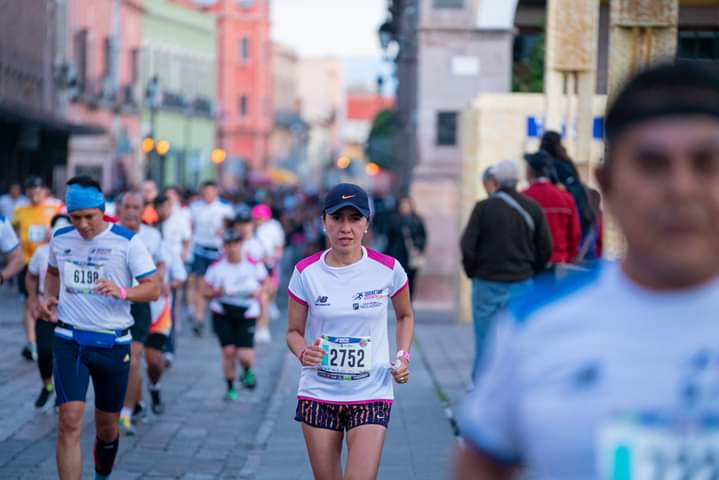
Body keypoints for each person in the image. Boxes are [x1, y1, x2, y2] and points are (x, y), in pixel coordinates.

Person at [455, 62, 719, 479]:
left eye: (706, 162)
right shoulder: (535, 326)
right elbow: (480, 463)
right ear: (608, 185)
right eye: (653, 164)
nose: (681, 188)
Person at [287, 183, 414, 480]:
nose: (346, 228)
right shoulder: (306, 272)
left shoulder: (388, 269)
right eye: (337, 218)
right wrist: (303, 351)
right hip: (319, 392)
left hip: (372, 391)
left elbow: (405, 315)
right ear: (323, 223)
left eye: (354, 219)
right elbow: (293, 331)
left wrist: (403, 356)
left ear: (367, 224)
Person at [38, 176, 160, 480]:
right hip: (70, 339)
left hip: (113, 344)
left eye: (89, 217)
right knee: (69, 420)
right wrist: (48, 296)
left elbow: (153, 288)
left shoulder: (127, 241)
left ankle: (102, 474)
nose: (82, 225)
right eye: (75, 217)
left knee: (107, 428)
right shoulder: (61, 238)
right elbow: (53, 272)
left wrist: (122, 292)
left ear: (102, 211)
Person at [459, 161, 552, 380]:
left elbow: (467, 246)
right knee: (519, 338)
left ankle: (481, 387)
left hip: (487, 283)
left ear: (495, 182)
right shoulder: (532, 207)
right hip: (522, 282)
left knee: (485, 339)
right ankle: (518, 385)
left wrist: (474, 272)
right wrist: (531, 271)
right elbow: (545, 248)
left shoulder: (483, 208)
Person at [114, 191, 165, 435]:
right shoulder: (109, 234)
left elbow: (163, 265)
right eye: (128, 206)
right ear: (119, 208)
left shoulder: (153, 236)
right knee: (116, 362)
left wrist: (158, 284)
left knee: (134, 359)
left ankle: (126, 413)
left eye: (137, 206)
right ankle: (133, 400)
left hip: (141, 301)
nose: (132, 211)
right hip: (112, 302)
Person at [203, 229, 267, 399]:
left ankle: (247, 371)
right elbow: (204, 290)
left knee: (245, 356)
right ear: (224, 247)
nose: (232, 248)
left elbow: (266, 284)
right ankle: (230, 387)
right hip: (222, 311)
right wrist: (216, 292)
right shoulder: (216, 266)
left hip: (247, 312)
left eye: (235, 244)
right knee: (229, 351)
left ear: (241, 245)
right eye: (228, 245)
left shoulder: (253, 264)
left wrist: (258, 292)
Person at [13, 176, 64, 361]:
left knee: (50, 297)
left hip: (50, 260)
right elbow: (15, 232)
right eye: (31, 190)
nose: (35, 193)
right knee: (29, 300)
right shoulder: (20, 210)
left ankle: (52, 335)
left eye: (39, 189)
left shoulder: (56, 207)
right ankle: (32, 341)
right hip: (28, 261)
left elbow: (66, 222)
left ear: (45, 190)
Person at [25, 213, 71, 409]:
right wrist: (33, 300)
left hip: (70, 309)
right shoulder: (42, 252)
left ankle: (67, 394)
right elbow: (31, 276)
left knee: (66, 355)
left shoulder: (76, 252)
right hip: (46, 308)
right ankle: (47, 385)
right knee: (44, 351)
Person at [188, 181, 234, 336]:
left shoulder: (225, 209)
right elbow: (190, 227)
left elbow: (230, 228)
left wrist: (224, 232)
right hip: (200, 248)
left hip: (218, 251)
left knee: (219, 286)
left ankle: (219, 319)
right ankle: (199, 319)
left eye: (211, 192)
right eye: (205, 192)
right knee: (201, 285)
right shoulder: (195, 208)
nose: (208, 195)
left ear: (216, 192)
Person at [522, 150, 582, 267]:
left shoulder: (522, 198)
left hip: (531, 265)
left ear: (530, 171)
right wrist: (568, 257)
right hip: (560, 263)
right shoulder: (566, 198)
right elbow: (575, 235)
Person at [155, 192, 191, 364]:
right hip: (152, 282)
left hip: (172, 271)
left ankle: (168, 350)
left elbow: (186, 241)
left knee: (169, 316)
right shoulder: (152, 226)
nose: (164, 210)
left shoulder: (179, 220)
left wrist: (182, 259)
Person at [252, 204, 285, 343]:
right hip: (252, 267)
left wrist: (272, 259)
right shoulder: (249, 228)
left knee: (264, 297)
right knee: (257, 299)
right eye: (257, 218)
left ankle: (263, 328)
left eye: (261, 217)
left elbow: (279, 247)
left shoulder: (274, 227)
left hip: (268, 266)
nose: (259, 220)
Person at [385, 196, 427, 297]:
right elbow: (390, 238)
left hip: (412, 255)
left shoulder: (417, 220)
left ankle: (409, 301)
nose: (405, 208)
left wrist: (419, 248)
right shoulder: (394, 220)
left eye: (407, 205)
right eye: (403, 206)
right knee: (399, 280)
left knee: (411, 280)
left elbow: (423, 236)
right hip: (398, 254)